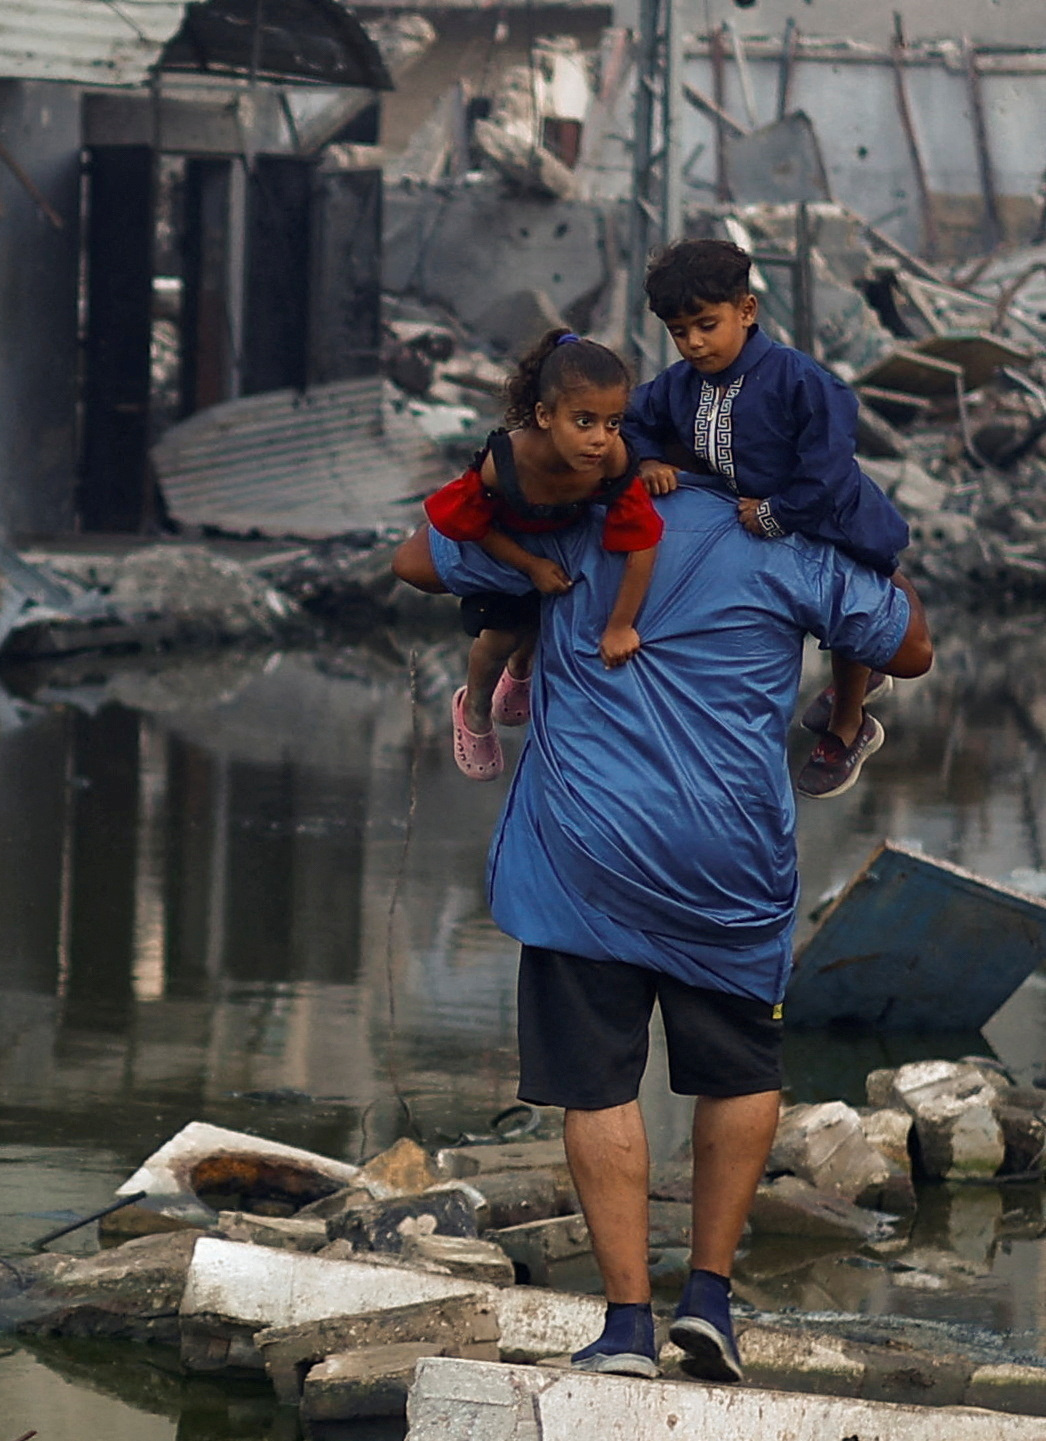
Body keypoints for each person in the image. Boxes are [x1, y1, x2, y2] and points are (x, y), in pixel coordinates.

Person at [392, 481, 932, 1384]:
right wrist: (856, 536)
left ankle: (627, 1326)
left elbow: (414, 560)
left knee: (599, 1085)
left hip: (584, 855)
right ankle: (711, 1301)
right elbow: (909, 646)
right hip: (730, 862)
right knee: (739, 1070)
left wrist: (526, 490)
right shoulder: (787, 536)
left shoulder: (574, 520)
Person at [623, 237, 911, 799]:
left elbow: (826, 472)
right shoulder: (679, 386)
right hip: (747, 517)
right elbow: (632, 418)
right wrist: (649, 459)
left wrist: (777, 515)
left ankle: (850, 724)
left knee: (850, 616)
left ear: (746, 311)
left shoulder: (801, 381)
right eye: (680, 332)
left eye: (707, 324)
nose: (694, 343)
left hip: (836, 519)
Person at [421, 330, 664, 782]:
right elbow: (472, 525)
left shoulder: (612, 461)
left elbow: (642, 540)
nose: (600, 439)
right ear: (545, 416)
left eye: (613, 423)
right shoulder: (509, 460)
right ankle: (473, 708)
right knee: (498, 637)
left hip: (558, 543)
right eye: (585, 422)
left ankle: (520, 674)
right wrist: (528, 565)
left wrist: (619, 626)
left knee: (543, 616)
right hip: (507, 547)